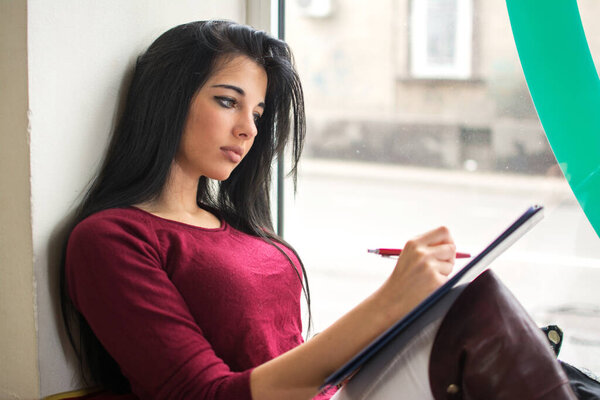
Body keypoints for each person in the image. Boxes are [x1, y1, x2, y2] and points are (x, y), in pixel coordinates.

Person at [60, 20, 462, 400]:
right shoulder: (111, 238)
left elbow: (289, 359)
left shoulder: (243, 230)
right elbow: (205, 395)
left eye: (256, 114)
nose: (249, 129)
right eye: (227, 101)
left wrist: (405, 308)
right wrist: (388, 302)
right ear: (169, 100)